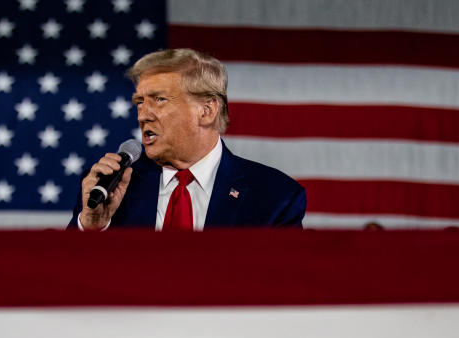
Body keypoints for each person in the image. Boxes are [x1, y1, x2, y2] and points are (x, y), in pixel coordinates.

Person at [68, 48, 306, 231]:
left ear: (207, 111)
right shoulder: (109, 187)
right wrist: (92, 226)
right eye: (140, 102)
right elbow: (65, 281)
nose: (143, 115)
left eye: (159, 99)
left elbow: (284, 288)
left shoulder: (274, 197)